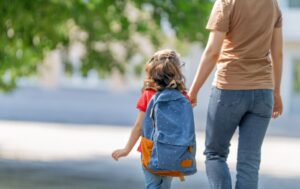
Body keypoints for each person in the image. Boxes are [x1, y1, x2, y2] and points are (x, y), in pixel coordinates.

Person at [188, 0, 283, 188]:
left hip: (229, 88)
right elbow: (278, 53)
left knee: (215, 154)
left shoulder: (226, 2)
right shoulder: (272, 4)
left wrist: (193, 91)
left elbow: (212, 52)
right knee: (249, 162)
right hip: (263, 92)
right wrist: (277, 92)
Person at [112, 49, 191, 189]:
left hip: (149, 150)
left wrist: (127, 149)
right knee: (165, 186)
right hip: (172, 152)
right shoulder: (182, 97)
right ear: (177, 71)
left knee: (153, 185)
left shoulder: (148, 95)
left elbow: (139, 126)